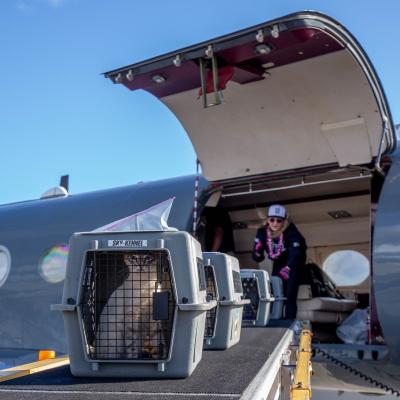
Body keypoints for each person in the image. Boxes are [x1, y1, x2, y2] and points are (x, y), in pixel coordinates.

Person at [252, 204, 306, 319]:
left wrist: (289, 267)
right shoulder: (262, 232)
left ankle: (288, 324)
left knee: (290, 295)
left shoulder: (290, 229)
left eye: (279, 220)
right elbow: (257, 256)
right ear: (267, 220)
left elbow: (296, 252)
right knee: (276, 293)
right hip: (278, 263)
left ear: (284, 221)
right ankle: (275, 320)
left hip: (294, 264)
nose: (275, 223)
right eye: (272, 220)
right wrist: (257, 252)